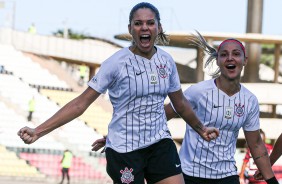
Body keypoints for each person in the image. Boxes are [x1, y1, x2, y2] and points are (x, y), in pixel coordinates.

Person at [18, 3, 219, 184]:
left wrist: (201, 129)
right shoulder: (115, 64)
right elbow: (81, 104)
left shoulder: (166, 61)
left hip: (159, 143)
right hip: (124, 150)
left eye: (150, 23)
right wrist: (38, 131)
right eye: (138, 23)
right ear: (130, 29)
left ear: (159, 28)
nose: (144, 27)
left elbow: (180, 103)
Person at [92, 31, 279, 184]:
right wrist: (117, 135)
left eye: (236, 54)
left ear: (245, 60)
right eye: (224, 54)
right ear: (218, 61)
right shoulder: (197, 92)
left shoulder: (250, 101)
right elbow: (160, 115)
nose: (230, 58)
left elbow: (255, 144)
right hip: (190, 175)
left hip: (226, 176)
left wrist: (271, 181)